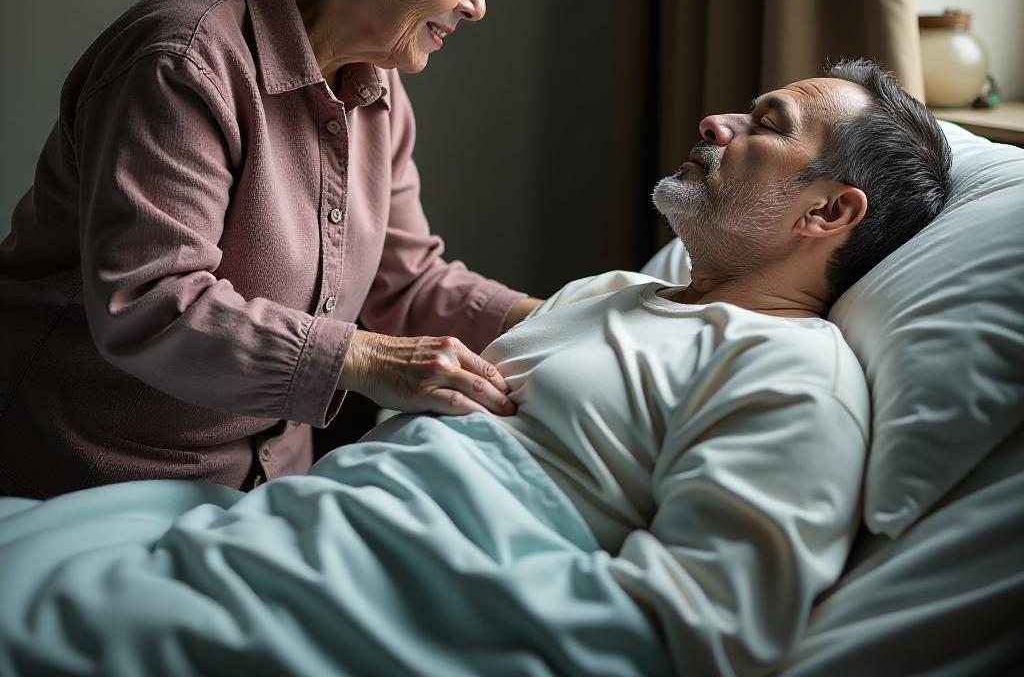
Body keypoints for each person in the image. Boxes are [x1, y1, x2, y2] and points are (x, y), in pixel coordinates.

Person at [0, 61, 953, 677]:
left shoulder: (793, 377)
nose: (716, 121)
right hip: (309, 519)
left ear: (828, 213)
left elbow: (704, 629)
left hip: (402, 583)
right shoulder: (615, 294)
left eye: (765, 124)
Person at [0, 0, 544, 500]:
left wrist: (574, 317)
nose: (477, 2)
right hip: (86, 479)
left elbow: (407, 283)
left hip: (265, 489)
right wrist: (364, 358)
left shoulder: (375, 80)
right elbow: (152, 303)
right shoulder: (182, 61)